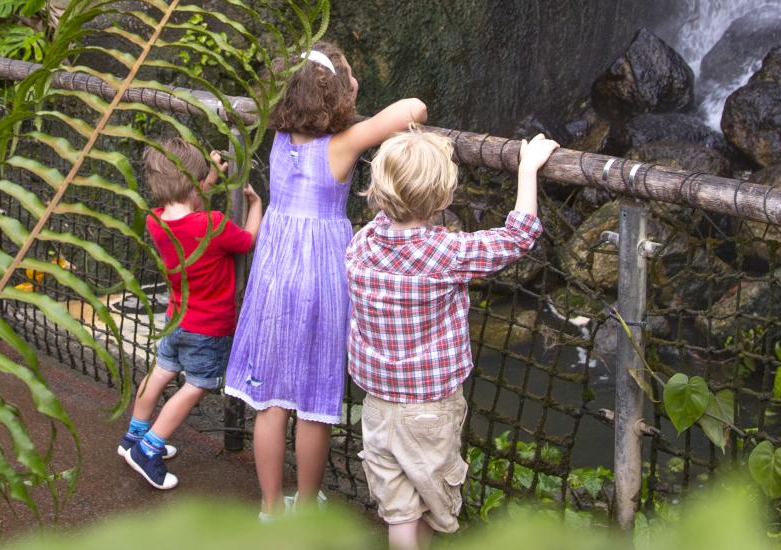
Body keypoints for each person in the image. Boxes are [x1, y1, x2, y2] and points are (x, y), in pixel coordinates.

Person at [223, 40, 429, 519]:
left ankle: (271, 508)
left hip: (274, 273)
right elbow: (412, 108)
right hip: (321, 278)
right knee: (316, 399)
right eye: (349, 79)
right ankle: (308, 503)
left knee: (270, 401)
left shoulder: (278, 140)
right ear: (335, 95)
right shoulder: (344, 144)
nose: (356, 83)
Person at [345, 129, 557, 550]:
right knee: (431, 502)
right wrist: (527, 170)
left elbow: (390, 217)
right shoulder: (446, 253)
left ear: (376, 192)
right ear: (443, 199)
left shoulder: (362, 243)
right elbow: (517, 238)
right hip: (430, 408)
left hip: (377, 406)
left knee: (400, 510)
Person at [121, 137, 263, 489]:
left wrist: (209, 179)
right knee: (196, 386)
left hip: (175, 320)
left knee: (159, 373)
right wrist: (257, 205)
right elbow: (246, 240)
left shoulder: (156, 220)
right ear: (193, 182)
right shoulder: (214, 225)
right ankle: (149, 448)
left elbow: (188, 206)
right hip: (207, 328)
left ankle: (132, 438)